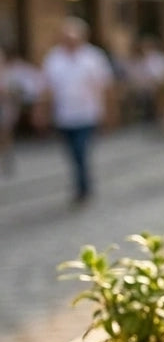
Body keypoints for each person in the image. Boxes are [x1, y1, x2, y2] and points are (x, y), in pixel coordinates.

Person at [39, 17, 115, 205]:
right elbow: (47, 88)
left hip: (87, 113)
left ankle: (83, 187)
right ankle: (82, 182)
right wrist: (41, 111)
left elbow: (105, 86)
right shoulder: (53, 58)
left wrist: (109, 112)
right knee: (73, 153)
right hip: (64, 115)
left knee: (81, 150)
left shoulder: (93, 57)